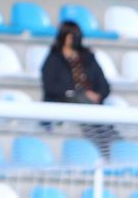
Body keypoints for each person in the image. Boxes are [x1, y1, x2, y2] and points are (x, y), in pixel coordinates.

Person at [40, 20, 118, 156]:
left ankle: (115, 148)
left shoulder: (88, 57)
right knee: (82, 101)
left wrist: (97, 95)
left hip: (91, 103)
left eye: (74, 35)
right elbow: (50, 86)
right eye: (69, 35)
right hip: (65, 101)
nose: (72, 39)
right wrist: (76, 92)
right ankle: (106, 148)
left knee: (96, 113)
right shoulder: (54, 58)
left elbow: (104, 85)